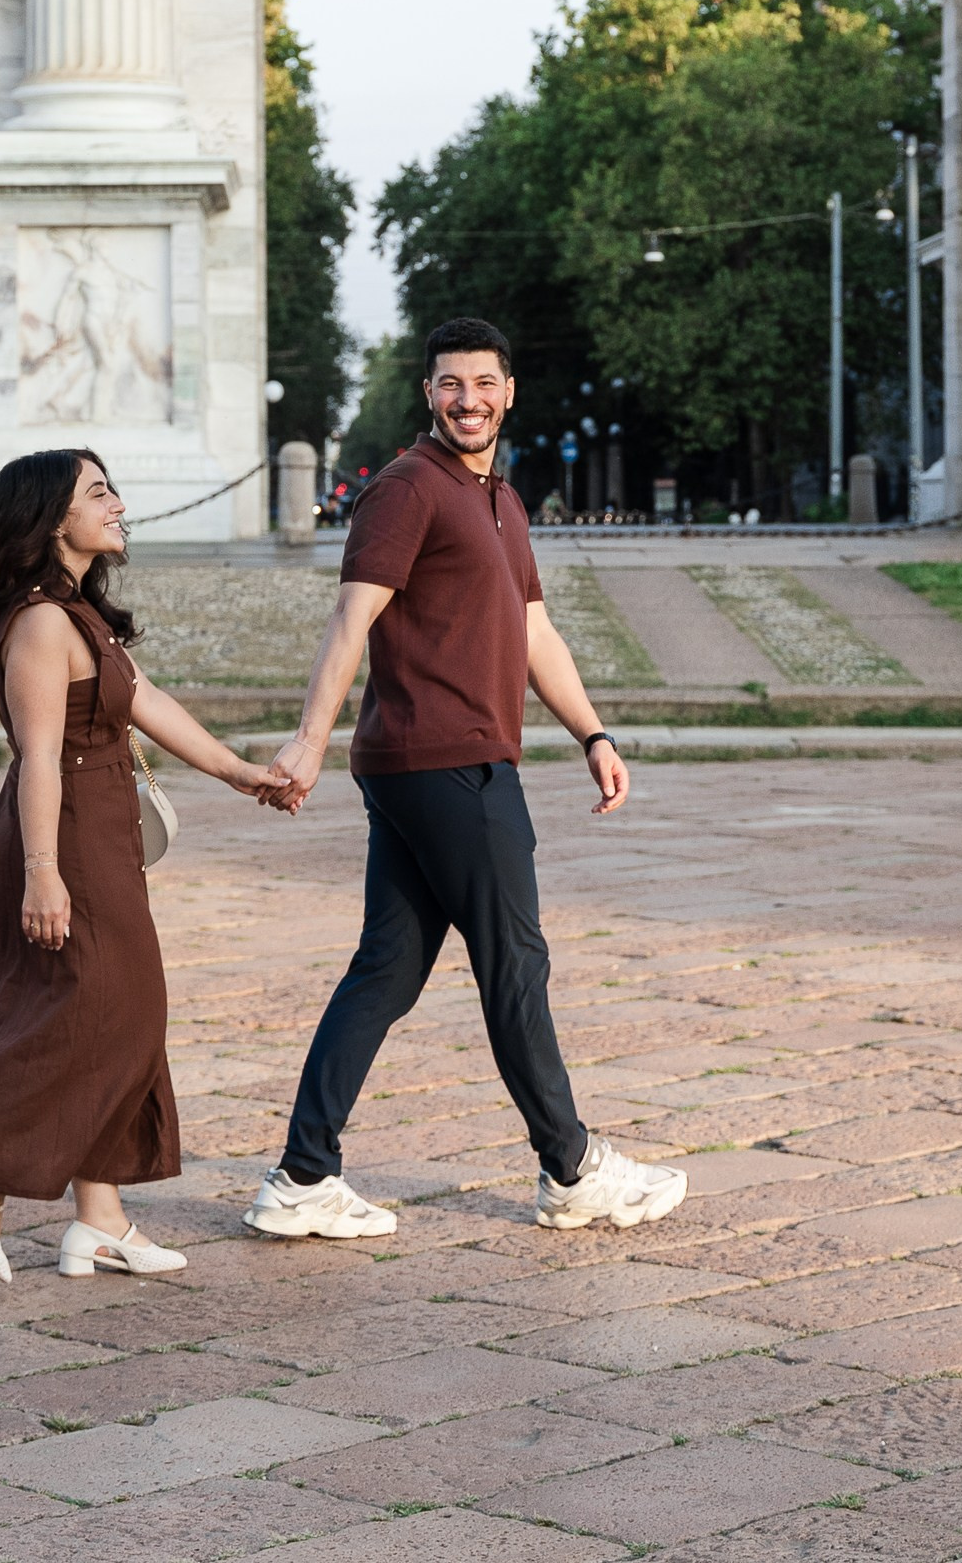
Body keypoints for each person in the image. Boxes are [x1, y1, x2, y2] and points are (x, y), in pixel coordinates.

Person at [246, 317, 687, 1241]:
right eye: (450, 383)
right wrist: (309, 742)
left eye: (484, 382)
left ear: (509, 392)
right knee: (515, 964)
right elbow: (350, 620)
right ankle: (571, 1168)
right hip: (446, 764)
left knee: (387, 970)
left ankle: (302, 1178)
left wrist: (593, 733)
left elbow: (533, 632)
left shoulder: (500, 500)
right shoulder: (407, 489)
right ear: (428, 394)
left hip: (442, 763)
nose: (468, 399)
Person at [0, 447, 297, 1283]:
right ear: (53, 520)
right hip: (68, 834)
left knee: (114, 1014)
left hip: (102, 830)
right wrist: (43, 870)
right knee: (106, 1012)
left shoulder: (78, 612)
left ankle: (101, 1221)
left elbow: (147, 702)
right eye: (98, 492)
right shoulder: (42, 623)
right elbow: (39, 758)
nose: (117, 503)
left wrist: (239, 773)